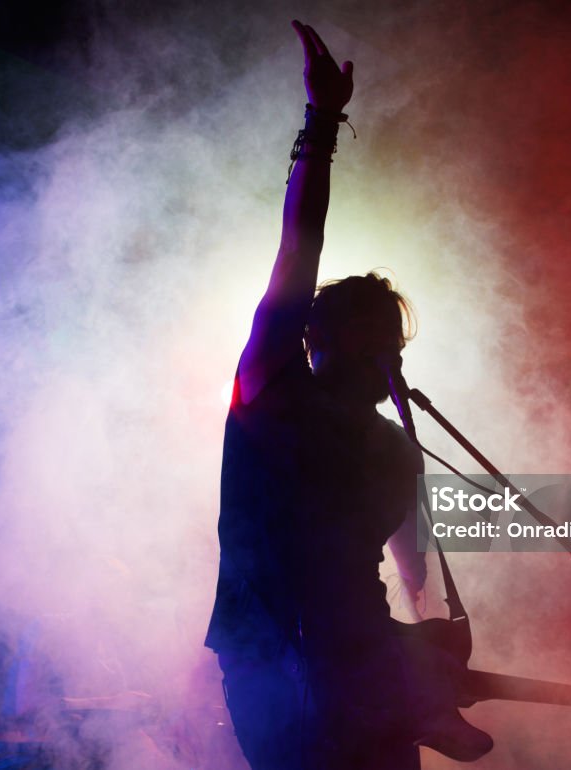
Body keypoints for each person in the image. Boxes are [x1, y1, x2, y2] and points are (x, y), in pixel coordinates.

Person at [204, 21, 491, 769]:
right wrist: (322, 126)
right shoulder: (274, 393)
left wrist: (423, 641)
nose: (384, 349)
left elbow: (409, 566)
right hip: (277, 655)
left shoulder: (394, 440)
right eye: (366, 332)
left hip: (366, 662)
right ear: (314, 338)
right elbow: (299, 254)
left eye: (390, 336)